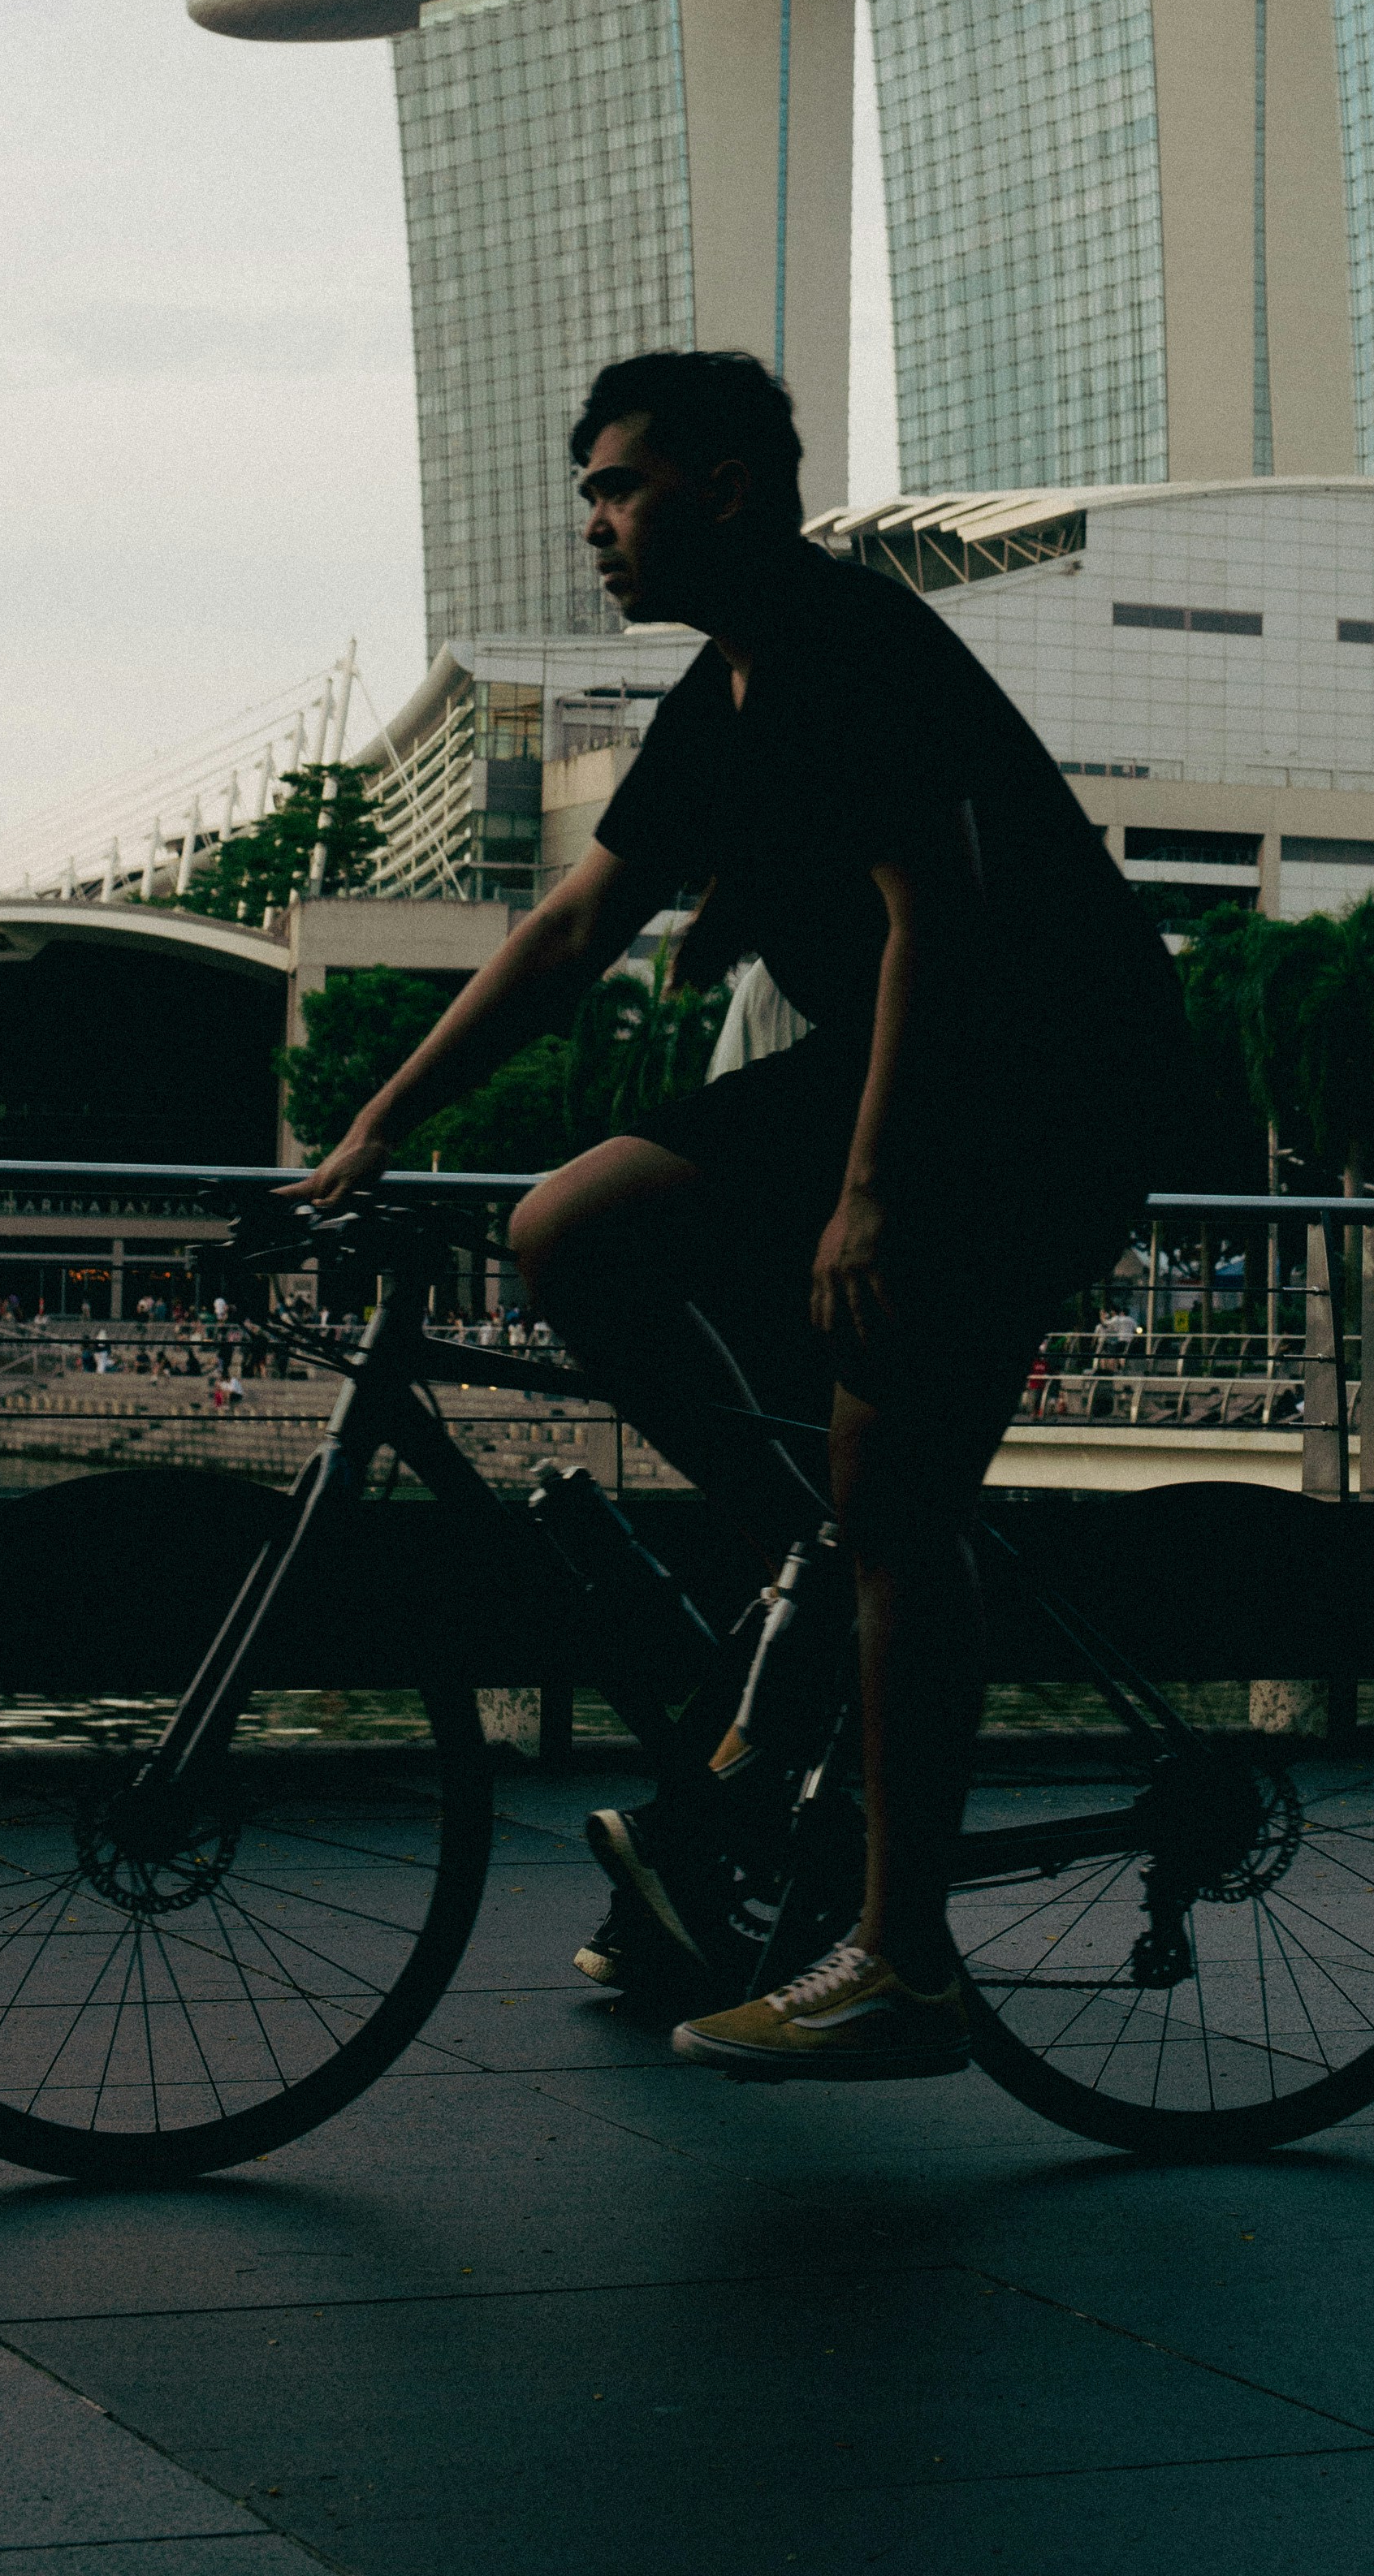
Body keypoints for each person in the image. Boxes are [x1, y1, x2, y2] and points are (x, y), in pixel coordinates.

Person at [294, 347, 1189, 2086]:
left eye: (617, 488)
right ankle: (838, 1534)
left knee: (892, 1500)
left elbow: (935, 916)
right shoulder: (723, 690)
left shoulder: (848, 646)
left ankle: (901, 1958)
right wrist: (373, 1130)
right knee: (565, 1231)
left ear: (717, 486)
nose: (593, 528)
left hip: (1035, 1083)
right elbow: (568, 933)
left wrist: (865, 1198)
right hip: (891, 1065)